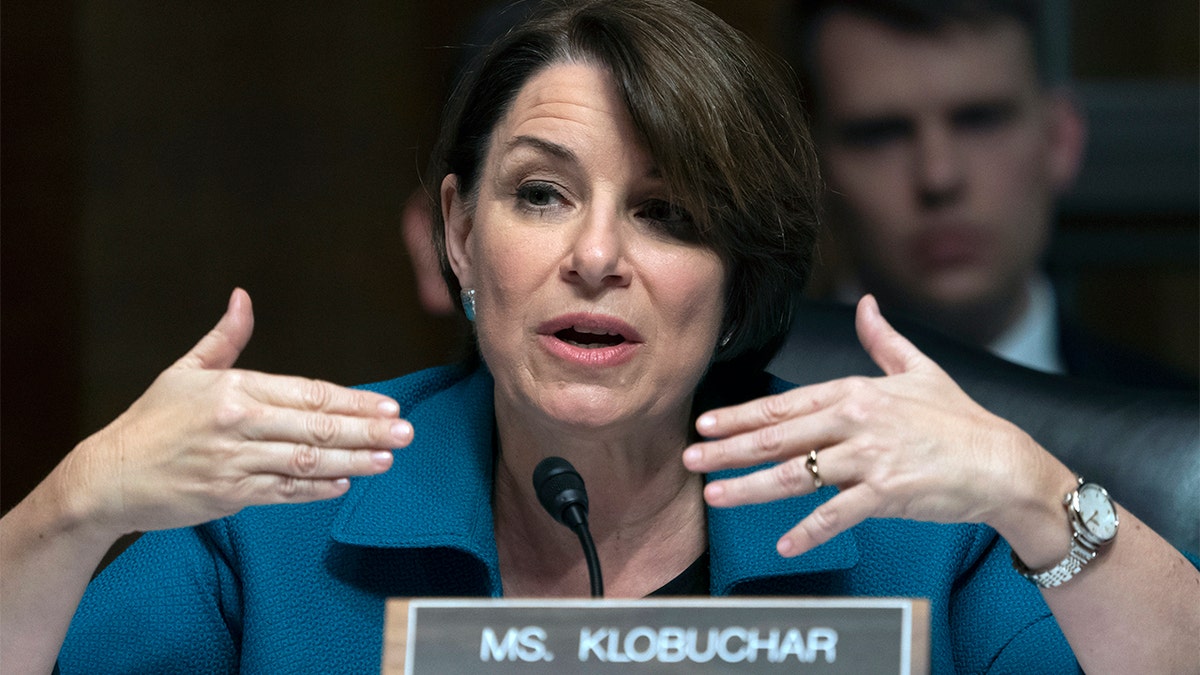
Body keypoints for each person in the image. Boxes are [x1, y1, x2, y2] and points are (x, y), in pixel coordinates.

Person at [1, 1, 1196, 672]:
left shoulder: (916, 539)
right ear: (461, 235)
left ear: (740, 279)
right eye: (541, 193)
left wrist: (1035, 493)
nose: (596, 257)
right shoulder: (268, 520)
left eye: (669, 214)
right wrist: (71, 508)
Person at [778, 0, 1192, 387]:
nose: (939, 177)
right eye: (881, 135)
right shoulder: (732, 418)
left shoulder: (1178, 430)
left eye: (980, 121)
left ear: (1060, 139)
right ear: (810, 167)